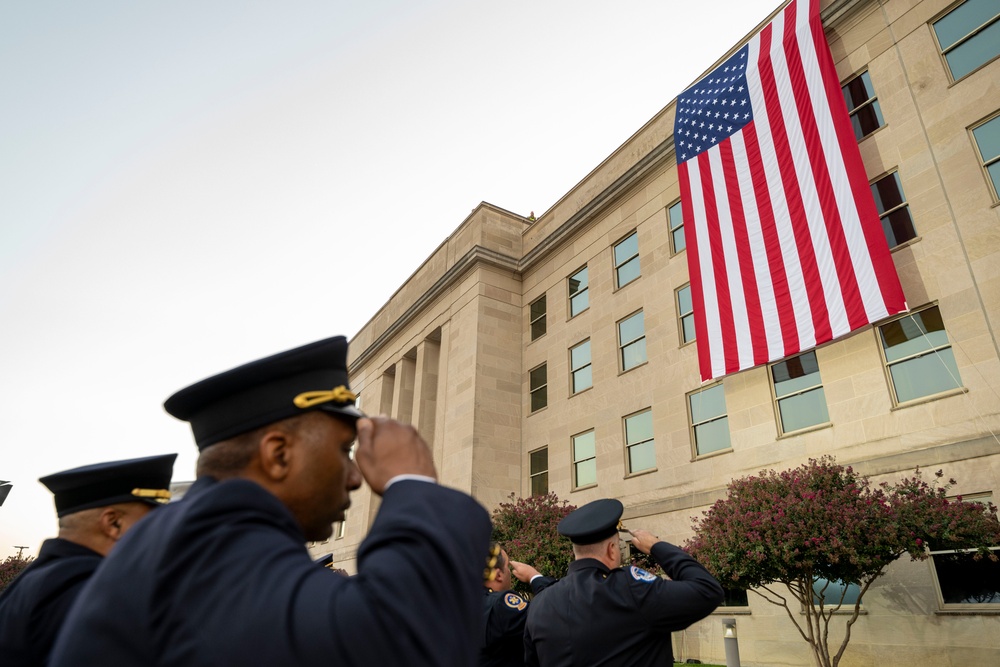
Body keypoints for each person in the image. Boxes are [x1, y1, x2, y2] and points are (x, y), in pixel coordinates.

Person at [50, 336, 493, 666]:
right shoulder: (211, 544)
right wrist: (411, 483)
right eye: (344, 452)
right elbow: (403, 644)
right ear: (278, 454)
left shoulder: (191, 534)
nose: (358, 478)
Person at [0, 454, 176, 667]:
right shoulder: (93, 589)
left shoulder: (37, 579)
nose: (160, 531)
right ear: (113, 523)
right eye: (152, 520)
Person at [524, 498, 724, 667]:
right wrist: (657, 546)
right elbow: (707, 590)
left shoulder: (540, 603)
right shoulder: (630, 588)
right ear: (612, 550)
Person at [480, 545, 554, 667]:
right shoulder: (501, 605)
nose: (510, 571)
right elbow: (552, 616)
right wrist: (534, 577)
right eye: (507, 566)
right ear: (498, 575)